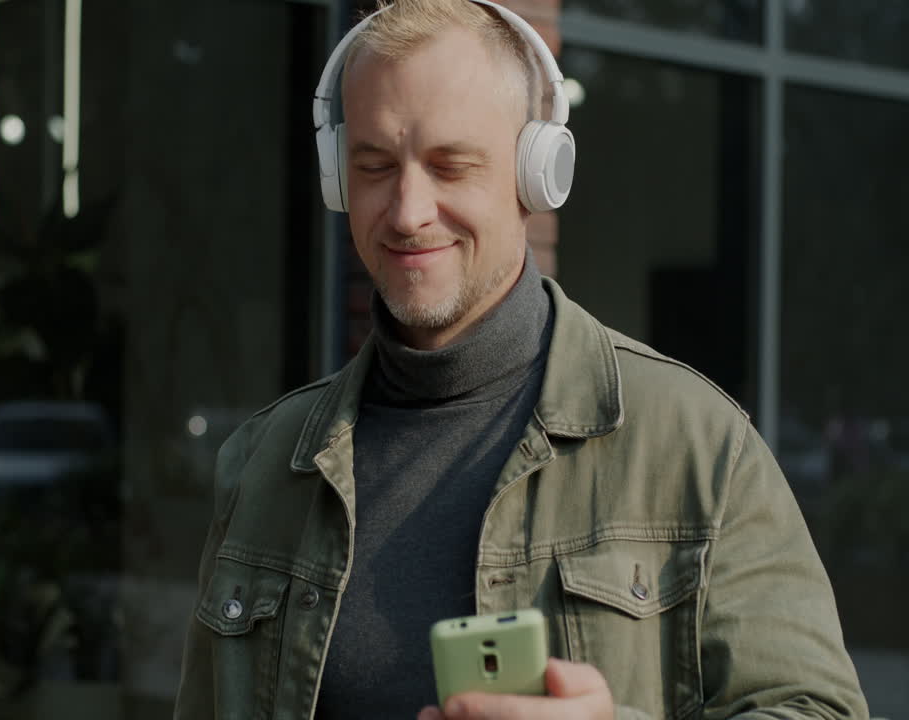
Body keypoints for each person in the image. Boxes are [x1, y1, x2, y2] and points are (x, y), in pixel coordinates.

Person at [173, 0, 869, 718]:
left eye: (450, 166)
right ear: (337, 178)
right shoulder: (263, 465)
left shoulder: (697, 445)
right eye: (375, 166)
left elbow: (817, 709)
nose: (408, 211)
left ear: (539, 174)